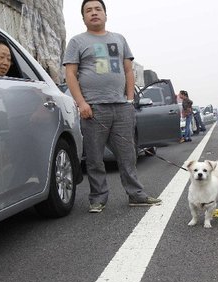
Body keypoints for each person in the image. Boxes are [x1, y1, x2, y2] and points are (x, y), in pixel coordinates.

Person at [64, 0, 162, 213]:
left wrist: (129, 100)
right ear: (83, 18)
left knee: (128, 154)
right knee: (94, 157)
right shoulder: (76, 42)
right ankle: (98, 198)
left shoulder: (119, 39)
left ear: (105, 14)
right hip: (94, 108)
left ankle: (136, 195)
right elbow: (70, 74)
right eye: (88, 10)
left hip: (121, 107)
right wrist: (81, 103)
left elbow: (129, 71)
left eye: (98, 9)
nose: (94, 13)